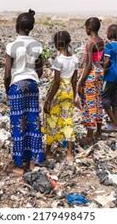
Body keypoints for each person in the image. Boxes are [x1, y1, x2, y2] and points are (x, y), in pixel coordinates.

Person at [4, 9, 44, 175]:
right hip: (33, 85)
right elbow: (40, 68)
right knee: (33, 121)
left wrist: (8, 90)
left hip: (17, 86)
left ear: (16, 26)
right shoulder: (37, 45)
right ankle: (34, 161)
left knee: (18, 124)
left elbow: (7, 73)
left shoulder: (12, 46)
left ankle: (20, 165)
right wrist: (33, 77)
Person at [42, 31, 78, 162]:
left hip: (58, 92)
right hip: (69, 91)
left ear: (57, 44)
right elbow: (74, 80)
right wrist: (74, 96)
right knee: (68, 120)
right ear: (68, 43)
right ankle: (69, 153)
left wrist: (48, 100)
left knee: (52, 120)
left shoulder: (58, 60)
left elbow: (56, 82)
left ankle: (48, 151)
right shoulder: (74, 59)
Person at [77, 17, 104, 146]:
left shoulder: (90, 43)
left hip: (91, 75)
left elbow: (88, 65)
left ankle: (89, 136)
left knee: (89, 104)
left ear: (88, 29)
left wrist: (81, 81)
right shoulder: (101, 41)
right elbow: (101, 60)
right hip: (100, 73)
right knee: (98, 101)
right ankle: (99, 131)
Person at [102, 24, 117, 130]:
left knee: (104, 99)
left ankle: (115, 123)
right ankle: (114, 119)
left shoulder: (108, 46)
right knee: (114, 99)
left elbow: (106, 62)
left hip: (109, 76)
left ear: (110, 33)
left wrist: (101, 70)